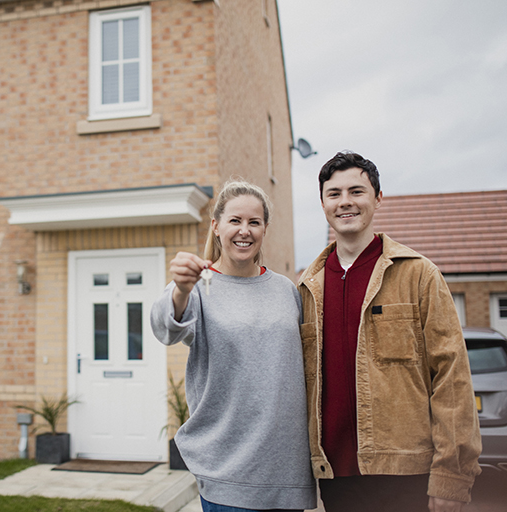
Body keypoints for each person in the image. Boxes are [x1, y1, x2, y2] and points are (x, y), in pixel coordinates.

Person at [298, 151, 482, 512]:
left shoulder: (419, 275)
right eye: (334, 194)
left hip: (407, 474)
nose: (345, 202)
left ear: (378, 199)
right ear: (322, 203)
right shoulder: (307, 286)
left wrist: (452, 476)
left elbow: (452, 378)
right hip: (335, 477)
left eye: (356, 191)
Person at [150, 178, 316, 512]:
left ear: (265, 229)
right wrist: (180, 290)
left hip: (287, 471)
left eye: (254, 222)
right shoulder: (198, 288)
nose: (245, 230)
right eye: (235, 220)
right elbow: (164, 328)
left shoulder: (287, 291)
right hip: (227, 473)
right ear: (216, 226)